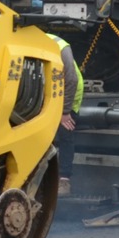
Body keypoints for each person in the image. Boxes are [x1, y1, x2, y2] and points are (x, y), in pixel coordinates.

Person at [47, 31, 84, 197]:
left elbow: (71, 80)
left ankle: (64, 180)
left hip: (69, 95)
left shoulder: (60, 46)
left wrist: (65, 112)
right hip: (50, 95)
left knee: (65, 133)